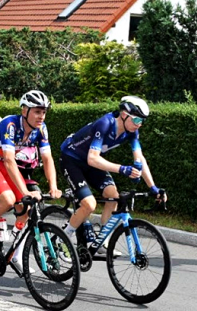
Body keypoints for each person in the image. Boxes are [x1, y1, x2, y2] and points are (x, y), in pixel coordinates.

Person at [58, 96, 167, 255]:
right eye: (136, 119)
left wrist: (153, 188)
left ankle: (102, 242)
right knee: (89, 205)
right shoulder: (105, 123)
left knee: (113, 196)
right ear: (124, 114)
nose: (139, 124)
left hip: (91, 162)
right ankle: (63, 240)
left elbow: (140, 159)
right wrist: (123, 169)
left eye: (142, 121)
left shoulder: (132, 132)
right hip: (71, 159)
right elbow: (93, 158)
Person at [0, 90, 62, 267]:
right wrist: (25, 191)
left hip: (3, 163)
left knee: (26, 208)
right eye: (37, 111)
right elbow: (9, 159)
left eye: (44, 112)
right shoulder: (10, 125)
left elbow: (47, 158)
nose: (41, 116)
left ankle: (16, 254)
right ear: (24, 111)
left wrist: (53, 186)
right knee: (8, 200)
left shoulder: (41, 129)